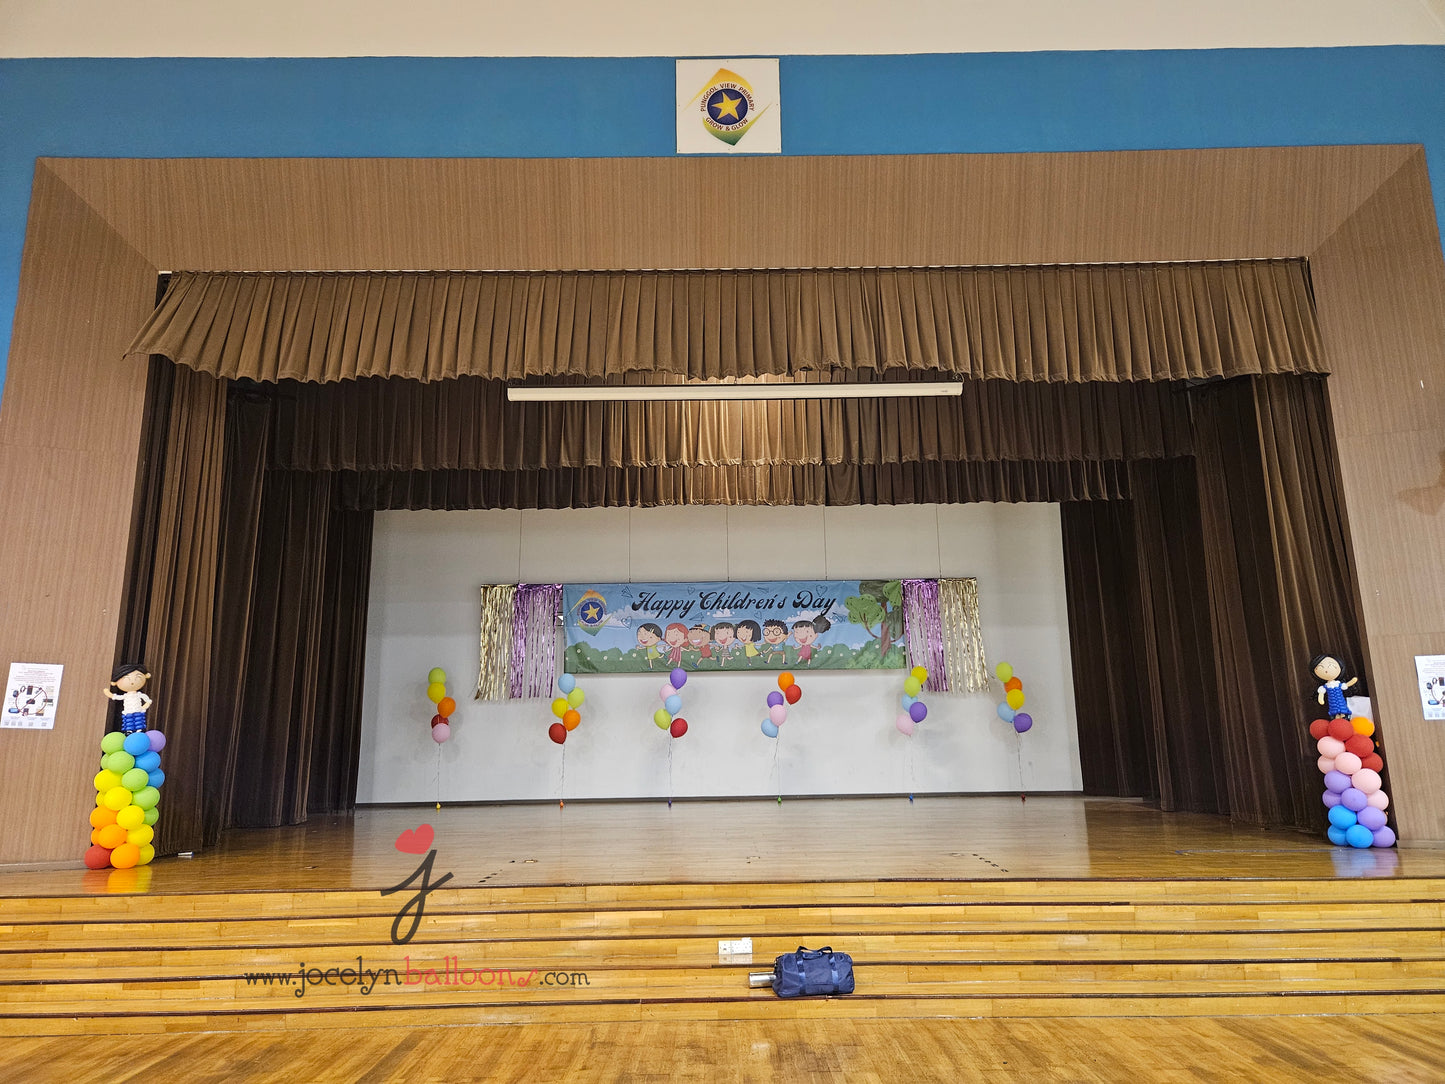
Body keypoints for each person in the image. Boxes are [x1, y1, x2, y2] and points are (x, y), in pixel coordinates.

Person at [103, 662, 152, 734]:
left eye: (137, 677)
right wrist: (110, 695)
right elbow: (118, 697)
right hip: (128, 712)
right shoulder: (125, 696)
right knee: (129, 721)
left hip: (138, 712)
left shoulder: (139, 695)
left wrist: (143, 708)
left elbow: (148, 701)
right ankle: (129, 731)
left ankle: (139, 730)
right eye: (127, 678)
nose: (132, 682)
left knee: (139, 721)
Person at [1311, 653, 1358, 719]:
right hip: (1332, 704)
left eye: (1331, 666)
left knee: (1343, 711)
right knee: (1334, 713)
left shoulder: (1338, 684)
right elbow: (1321, 693)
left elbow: (1346, 685)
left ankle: (1344, 716)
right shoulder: (1324, 687)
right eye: (1320, 667)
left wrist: (1352, 681)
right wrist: (1321, 699)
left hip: (1341, 703)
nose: (1326, 670)